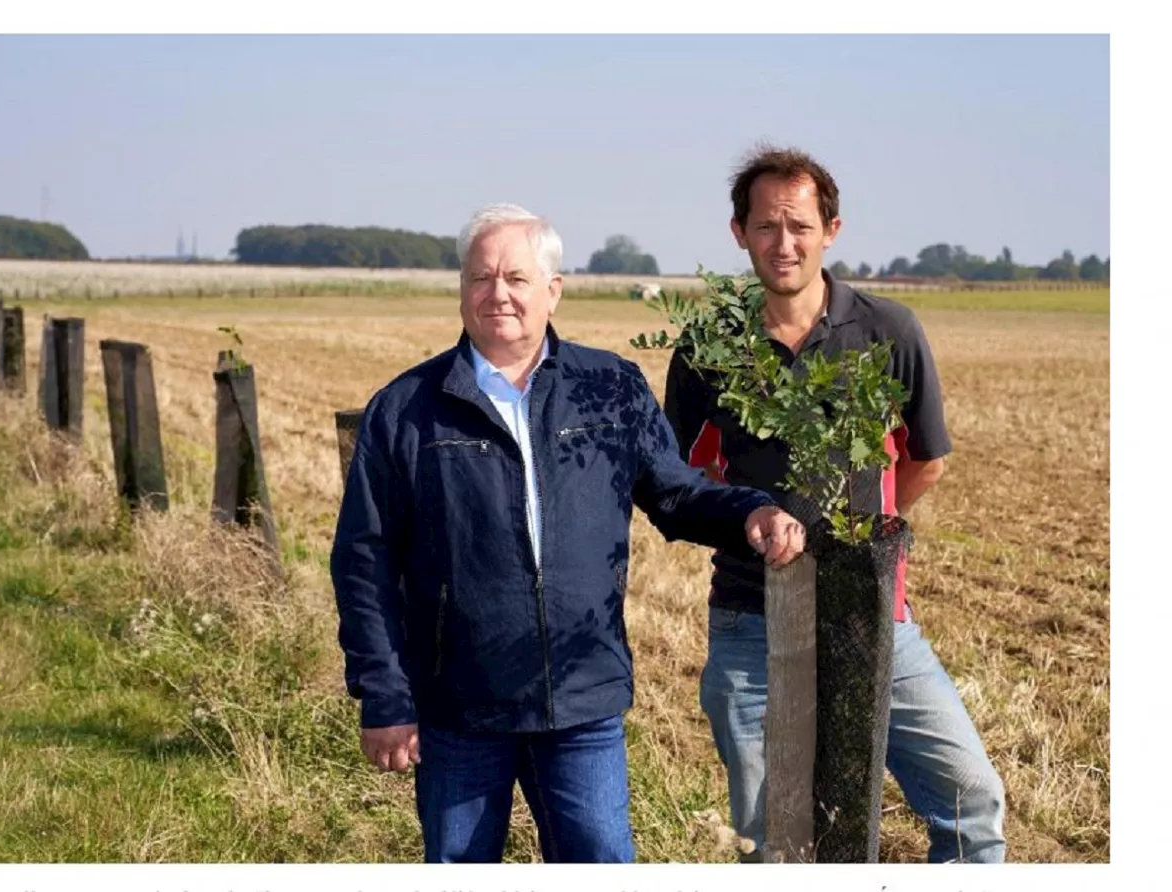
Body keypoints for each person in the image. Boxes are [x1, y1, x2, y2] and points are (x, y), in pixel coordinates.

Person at [331, 203, 807, 864]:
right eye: (481, 277)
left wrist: (749, 512)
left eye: (518, 278)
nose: (498, 293)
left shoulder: (607, 388)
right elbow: (364, 560)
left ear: (553, 290)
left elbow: (676, 490)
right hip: (460, 709)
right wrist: (385, 695)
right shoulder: (407, 409)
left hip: (582, 703)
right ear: (461, 289)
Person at [662, 147, 1007, 863]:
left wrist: (856, 539)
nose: (782, 243)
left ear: (831, 229)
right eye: (764, 227)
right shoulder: (709, 346)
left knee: (972, 803)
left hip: (875, 619)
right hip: (751, 621)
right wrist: (750, 520)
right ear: (739, 234)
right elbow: (677, 486)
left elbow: (926, 460)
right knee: (776, 842)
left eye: (798, 225)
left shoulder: (888, 331)